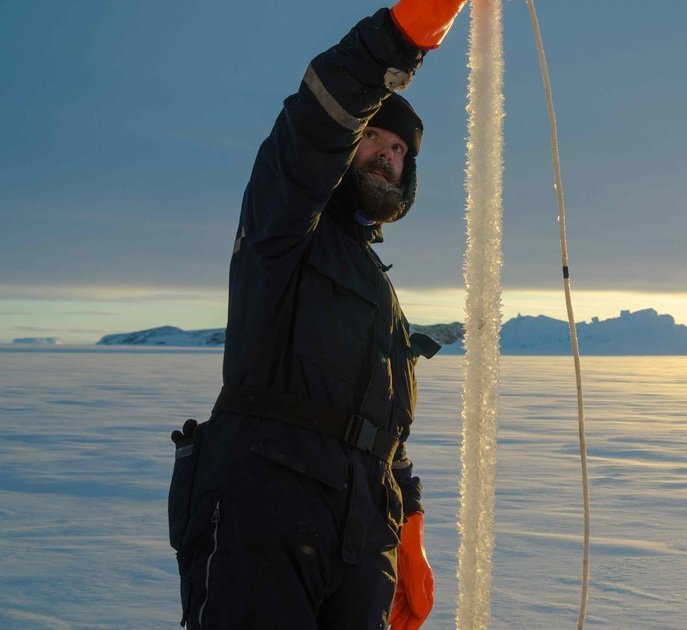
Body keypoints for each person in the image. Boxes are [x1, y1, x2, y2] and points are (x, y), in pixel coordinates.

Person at [167, 2, 467, 628]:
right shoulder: (284, 228)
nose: (387, 156)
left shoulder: (376, 287)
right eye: (374, 139)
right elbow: (317, 122)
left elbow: (388, 431)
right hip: (266, 506)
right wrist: (404, 36)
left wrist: (407, 532)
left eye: (399, 151)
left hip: (362, 533)